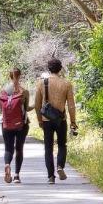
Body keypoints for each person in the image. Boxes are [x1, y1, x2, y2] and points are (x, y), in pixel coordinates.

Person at [34, 57, 78, 185]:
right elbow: (71, 105)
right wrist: (73, 122)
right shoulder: (66, 84)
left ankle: (50, 177)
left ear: (49, 69)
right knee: (62, 144)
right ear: (60, 69)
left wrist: (39, 120)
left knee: (48, 148)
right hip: (61, 119)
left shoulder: (42, 83)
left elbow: (37, 105)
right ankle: (60, 166)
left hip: (46, 120)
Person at [0, 67, 30, 184]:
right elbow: (26, 109)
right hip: (21, 124)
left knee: (8, 148)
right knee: (19, 148)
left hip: (6, 124)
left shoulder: (3, 91)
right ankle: (16, 175)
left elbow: (0, 109)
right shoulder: (24, 92)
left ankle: (7, 164)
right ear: (20, 76)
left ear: (9, 76)